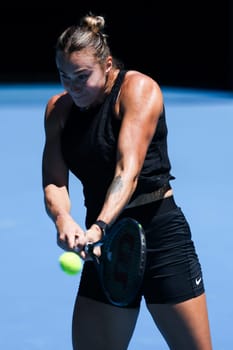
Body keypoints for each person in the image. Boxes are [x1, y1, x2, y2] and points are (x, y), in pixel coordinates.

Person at [42, 12, 213, 350]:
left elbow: (127, 172)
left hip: (160, 235)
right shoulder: (58, 111)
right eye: (64, 76)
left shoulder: (139, 90)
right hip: (103, 246)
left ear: (107, 65)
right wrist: (63, 219)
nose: (72, 87)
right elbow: (54, 180)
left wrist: (100, 225)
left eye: (81, 76)